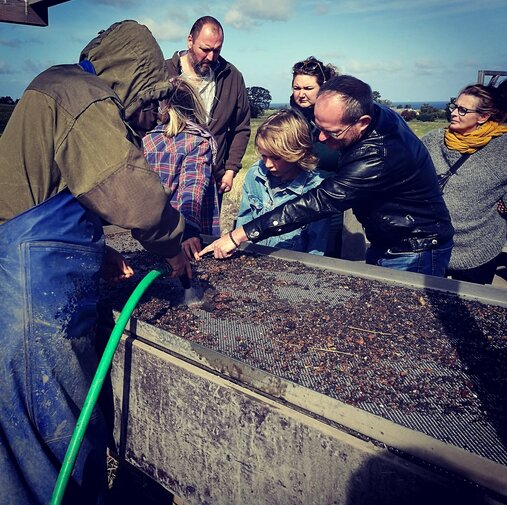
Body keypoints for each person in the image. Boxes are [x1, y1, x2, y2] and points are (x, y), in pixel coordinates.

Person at [0, 20, 191, 504]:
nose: (151, 110)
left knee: (21, 419)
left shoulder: (60, 84)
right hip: (31, 282)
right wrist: (173, 245)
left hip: (27, 261)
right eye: (150, 96)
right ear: (136, 74)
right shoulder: (85, 96)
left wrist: (97, 249)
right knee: (53, 417)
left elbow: (50, 193)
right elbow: (136, 199)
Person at [200, 75, 454, 278]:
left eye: (331, 132)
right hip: (386, 239)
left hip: (416, 248)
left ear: (362, 123)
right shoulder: (372, 112)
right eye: (318, 128)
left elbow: (318, 203)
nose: (321, 139)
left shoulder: (378, 157)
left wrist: (238, 235)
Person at [422, 84, 507, 284]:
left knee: (468, 308)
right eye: (454, 106)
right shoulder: (433, 140)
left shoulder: (502, 149)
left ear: (483, 117)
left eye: (463, 110)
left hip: (478, 249)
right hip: (432, 244)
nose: (454, 113)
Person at [165, 15, 251, 200]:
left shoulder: (232, 76)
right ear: (190, 41)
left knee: (204, 231)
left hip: (213, 179)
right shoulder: (163, 73)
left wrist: (230, 170)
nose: (211, 57)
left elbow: (241, 127)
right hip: (169, 179)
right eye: (205, 49)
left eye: (217, 50)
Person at [143, 77, 220, 261]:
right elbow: (193, 186)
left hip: (152, 235)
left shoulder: (146, 140)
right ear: (195, 105)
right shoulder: (197, 143)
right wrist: (189, 230)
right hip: (188, 241)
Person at [236, 109, 330, 255]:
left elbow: (316, 246)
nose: (268, 164)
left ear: (297, 153)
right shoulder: (254, 175)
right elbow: (244, 221)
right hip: (253, 259)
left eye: (276, 158)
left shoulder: (316, 189)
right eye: (264, 156)